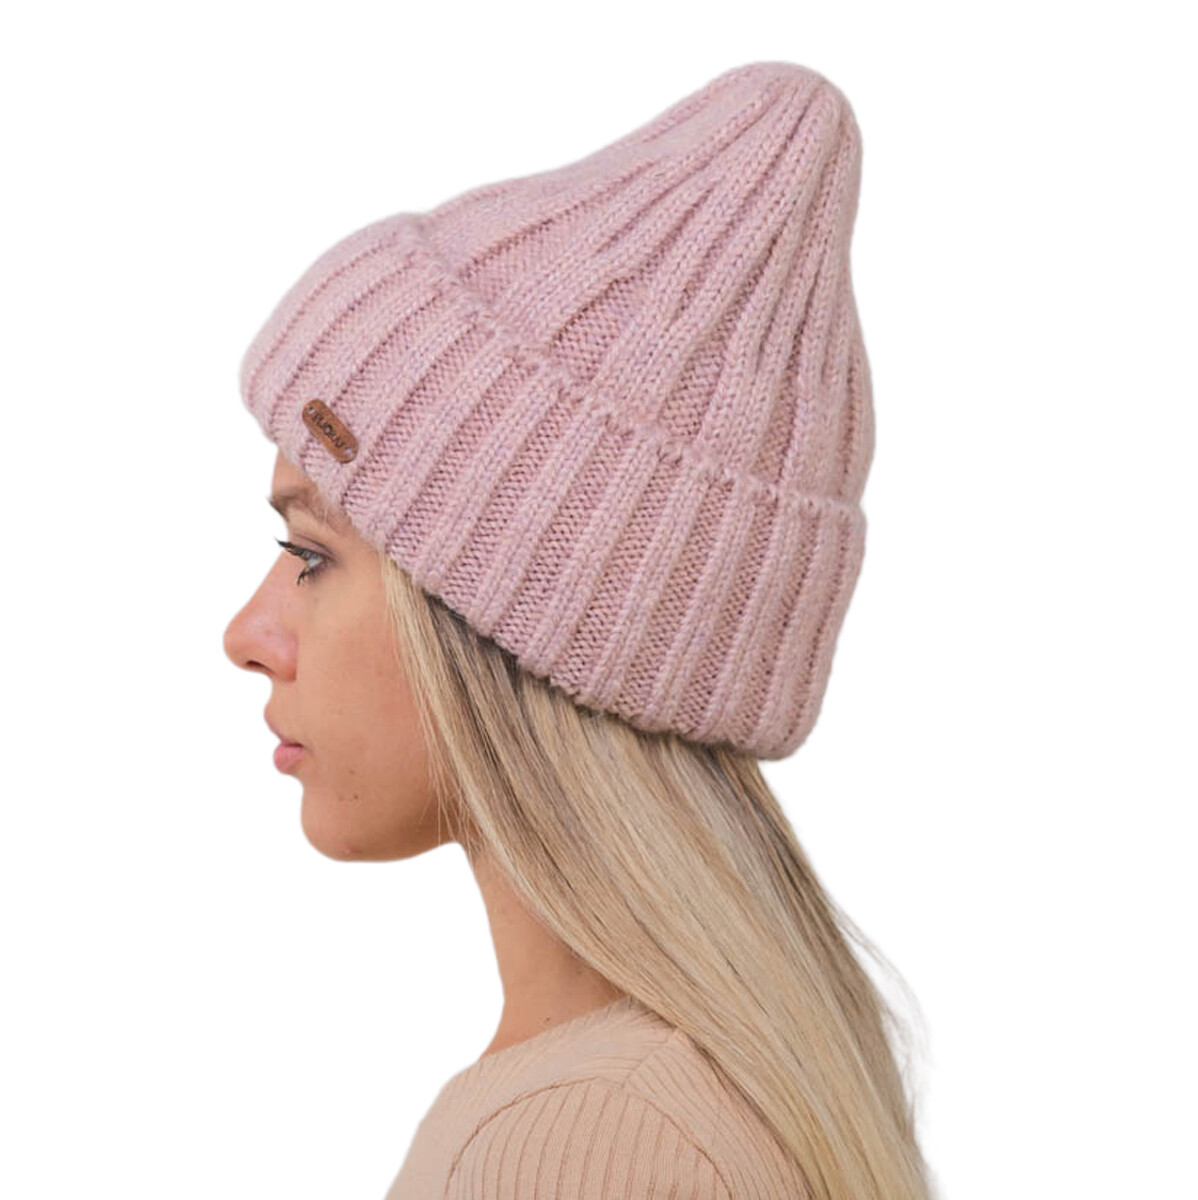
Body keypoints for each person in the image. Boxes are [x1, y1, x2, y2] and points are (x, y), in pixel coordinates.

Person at [224, 59, 934, 1200]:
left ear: (509, 629)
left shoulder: (586, 1140)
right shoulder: (671, 1097)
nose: (247, 634)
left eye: (312, 556)